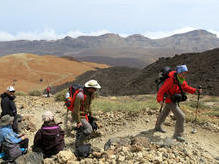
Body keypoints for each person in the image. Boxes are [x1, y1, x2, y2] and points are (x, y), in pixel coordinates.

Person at [154, 65, 201, 142]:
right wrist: (160, 100)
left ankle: (157, 127)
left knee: (165, 113)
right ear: (179, 72)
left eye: (185, 73)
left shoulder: (181, 79)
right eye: (182, 73)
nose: (184, 75)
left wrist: (195, 90)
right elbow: (161, 90)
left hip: (173, 99)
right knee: (181, 116)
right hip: (170, 100)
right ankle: (178, 135)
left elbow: (186, 87)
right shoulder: (170, 80)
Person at [72, 80, 101, 149]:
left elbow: (88, 105)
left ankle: (79, 138)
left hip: (85, 114)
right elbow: (76, 110)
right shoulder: (80, 96)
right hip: (79, 115)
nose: (95, 90)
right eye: (94, 88)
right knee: (89, 129)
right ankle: (79, 144)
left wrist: (91, 115)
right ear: (90, 88)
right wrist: (78, 121)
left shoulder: (90, 94)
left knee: (90, 127)